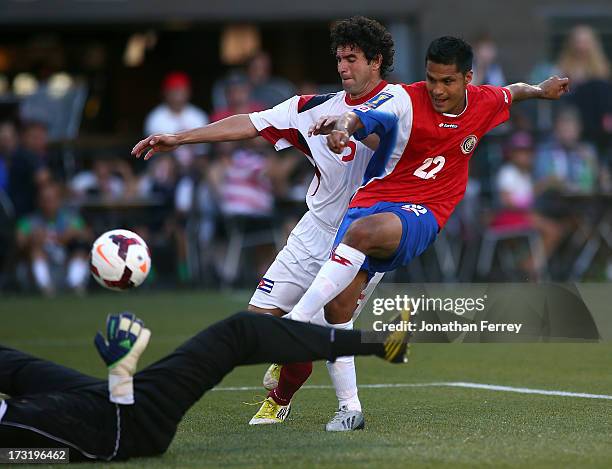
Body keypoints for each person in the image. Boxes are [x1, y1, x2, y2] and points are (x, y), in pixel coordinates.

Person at [132, 16, 395, 431]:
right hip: (314, 230)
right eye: (339, 58)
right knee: (259, 325)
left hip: (364, 238)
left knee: (315, 328)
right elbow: (249, 123)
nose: (343, 67)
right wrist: (179, 138)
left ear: (376, 61)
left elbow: (416, 136)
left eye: (352, 59)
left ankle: (282, 399)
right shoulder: (310, 109)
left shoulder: (400, 104)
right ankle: (292, 367)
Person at [286, 36, 568, 328]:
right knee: (337, 312)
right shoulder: (404, 98)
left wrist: (540, 90)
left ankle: (294, 321)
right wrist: (343, 130)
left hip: (425, 209)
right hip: (376, 198)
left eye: (448, 81)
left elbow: (514, 91)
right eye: (432, 79)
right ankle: (305, 353)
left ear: (467, 78)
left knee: (362, 233)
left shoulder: (484, 101)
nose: (438, 90)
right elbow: (356, 116)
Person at [0, 310, 410, 462]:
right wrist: (121, 375)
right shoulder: (20, 444)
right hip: (130, 425)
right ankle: (378, 344)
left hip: (106, 404)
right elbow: (69, 447)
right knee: (239, 332)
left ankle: (379, 345)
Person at [144, 72, 209, 170]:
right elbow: (156, 151)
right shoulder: (156, 118)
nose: (178, 94)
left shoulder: (198, 116)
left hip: (195, 164)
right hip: (167, 165)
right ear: (166, 93)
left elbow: (203, 151)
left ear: (188, 92)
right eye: (174, 90)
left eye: (181, 90)